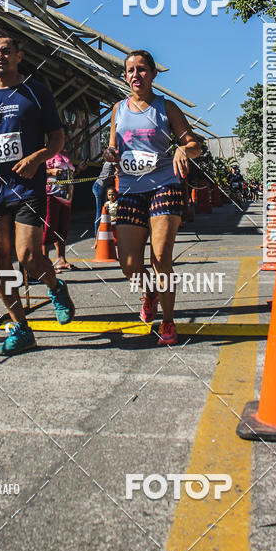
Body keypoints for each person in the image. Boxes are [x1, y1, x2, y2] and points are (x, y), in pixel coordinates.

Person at [0, 34, 75, 356]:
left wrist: (37, 158)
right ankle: (21, 328)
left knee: (29, 256)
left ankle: (55, 287)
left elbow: (57, 138)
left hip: (28, 188)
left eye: (6, 51)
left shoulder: (36, 92)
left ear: (18, 56)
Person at [102, 49, 201, 345]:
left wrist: (183, 149)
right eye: (131, 70)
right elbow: (112, 148)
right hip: (130, 190)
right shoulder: (118, 109)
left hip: (164, 186)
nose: (136, 75)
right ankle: (150, 291)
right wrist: (110, 156)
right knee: (129, 265)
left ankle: (168, 322)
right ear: (124, 76)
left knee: (160, 257)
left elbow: (194, 144)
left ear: (153, 74)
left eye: (142, 69)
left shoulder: (166, 107)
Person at [42, 126, 76, 272]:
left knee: (62, 227)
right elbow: (36, 169)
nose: (66, 138)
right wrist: (51, 171)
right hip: (51, 194)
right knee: (49, 226)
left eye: (66, 136)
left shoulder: (64, 153)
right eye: (63, 135)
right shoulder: (44, 151)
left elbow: (69, 172)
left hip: (66, 196)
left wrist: (79, 168)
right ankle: (44, 261)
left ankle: (61, 259)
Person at [92, 160, 117, 239]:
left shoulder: (111, 161)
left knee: (105, 211)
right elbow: (119, 169)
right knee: (100, 212)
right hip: (99, 187)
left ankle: (104, 234)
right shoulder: (112, 161)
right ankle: (97, 237)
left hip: (102, 187)